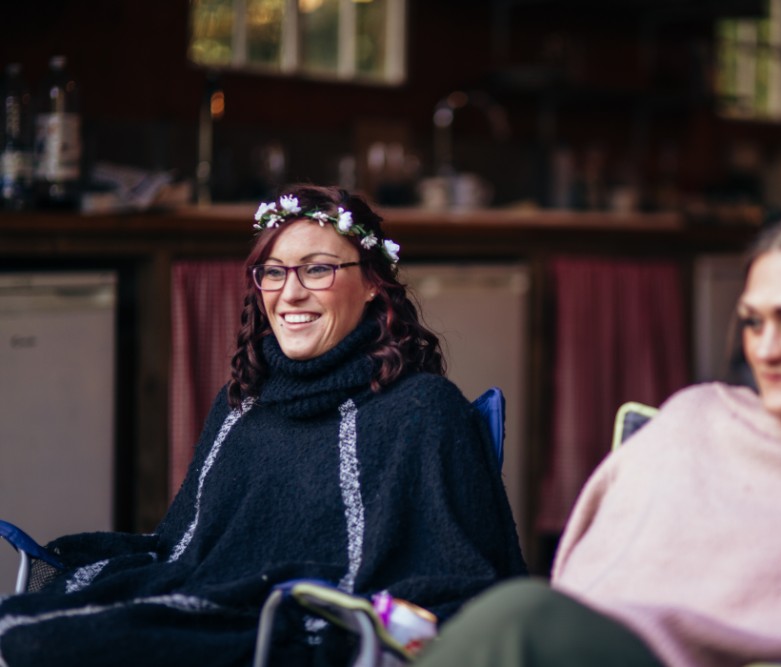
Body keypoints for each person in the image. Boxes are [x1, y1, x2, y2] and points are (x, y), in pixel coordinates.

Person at [413, 209, 781, 667]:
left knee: (516, 618)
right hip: (604, 640)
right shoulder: (694, 419)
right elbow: (596, 568)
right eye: (755, 322)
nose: (766, 349)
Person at [0, 184, 527, 665]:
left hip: (298, 628)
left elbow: (459, 578)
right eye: (274, 271)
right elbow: (185, 547)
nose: (290, 293)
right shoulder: (243, 406)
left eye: (317, 269)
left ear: (371, 283)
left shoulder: (421, 410)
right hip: (222, 605)